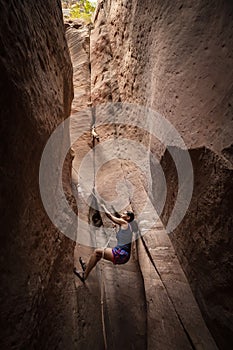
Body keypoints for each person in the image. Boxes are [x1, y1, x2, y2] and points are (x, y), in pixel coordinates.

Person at [73, 204, 134, 282]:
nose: (122, 214)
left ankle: (84, 276)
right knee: (98, 255)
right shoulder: (128, 227)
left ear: (128, 218)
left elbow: (110, 217)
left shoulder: (124, 223)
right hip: (123, 254)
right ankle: (87, 267)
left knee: (97, 252)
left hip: (121, 254)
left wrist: (104, 207)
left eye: (124, 214)